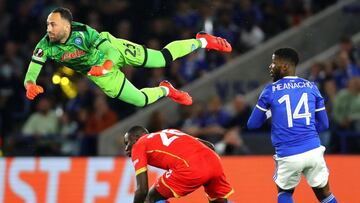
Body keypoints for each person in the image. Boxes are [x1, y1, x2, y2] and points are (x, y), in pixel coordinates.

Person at [24, 7, 232, 107]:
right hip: (97, 73)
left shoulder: (84, 33)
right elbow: (32, 70)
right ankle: (165, 89)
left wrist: (105, 67)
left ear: (67, 26)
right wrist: (30, 84)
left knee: (161, 59)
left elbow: (111, 52)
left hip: (112, 51)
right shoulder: (45, 46)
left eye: (53, 24)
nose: (48, 28)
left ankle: (203, 40)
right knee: (140, 101)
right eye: (48, 24)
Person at [247, 48, 338, 203]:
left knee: (285, 193)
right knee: (325, 195)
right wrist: (304, 131)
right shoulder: (311, 87)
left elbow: (252, 124)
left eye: (274, 62)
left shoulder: (270, 90)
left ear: (284, 67)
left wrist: (271, 113)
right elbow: (324, 124)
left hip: (288, 154)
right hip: (313, 151)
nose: (270, 66)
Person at [124, 126, 234, 203]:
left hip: (190, 166)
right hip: (214, 161)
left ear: (137, 137)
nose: (126, 148)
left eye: (127, 142)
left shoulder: (139, 145)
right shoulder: (170, 131)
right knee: (218, 201)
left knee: (149, 198)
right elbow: (209, 146)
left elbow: (142, 190)